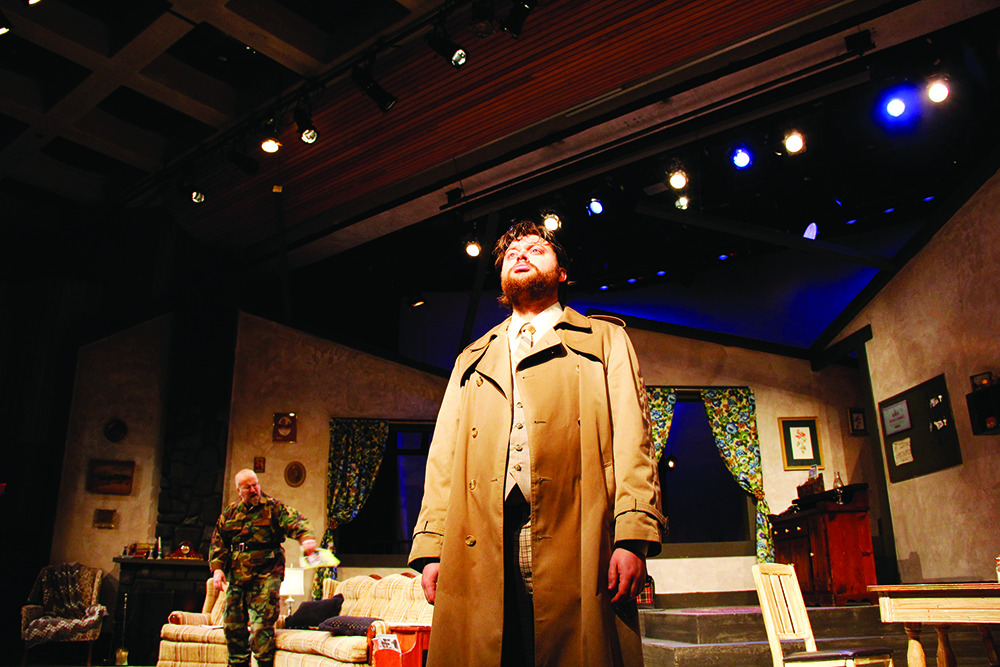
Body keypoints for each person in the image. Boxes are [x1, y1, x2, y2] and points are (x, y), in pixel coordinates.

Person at [408, 220, 665, 667]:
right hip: (482, 539)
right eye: (511, 254)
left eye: (536, 249)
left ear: (562, 272)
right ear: (502, 278)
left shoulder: (605, 340)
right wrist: (431, 546)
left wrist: (633, 537)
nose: (521, 255)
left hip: (579, 533)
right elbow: (443, 458)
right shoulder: (472, 357)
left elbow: (634, 441)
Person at [209, 469, 316, 667]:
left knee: (260, 628)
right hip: (237, 575)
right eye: (247, 487)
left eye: (255, 485)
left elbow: (296, 521)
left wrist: (306, 539)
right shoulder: (230, 512)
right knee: (232, 626)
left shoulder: (273, 508)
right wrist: (217, 568)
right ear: (239, 490)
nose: (253, 490)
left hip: (267, 574)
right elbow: (219, 541)